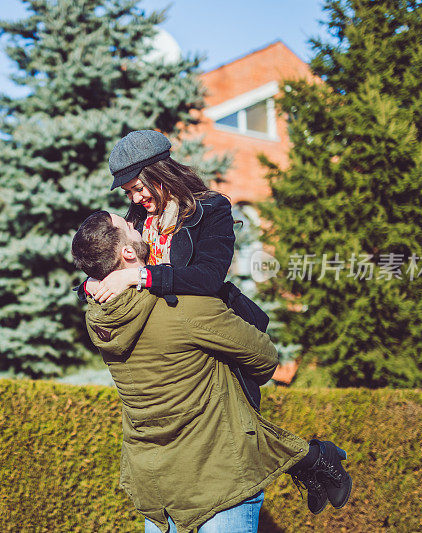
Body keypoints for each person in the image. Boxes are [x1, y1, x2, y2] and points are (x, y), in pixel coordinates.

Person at [71, 210, 353, 533]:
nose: (135, 223)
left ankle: (312, 460)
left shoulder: (99, 321)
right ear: (128, 252)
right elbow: (266, 359)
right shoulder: (183, 309)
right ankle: (314, 459)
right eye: (127, 226)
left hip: (158, 488)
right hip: (220, 481)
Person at [79, 129, 269, 411]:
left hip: (208, 337)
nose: (134, 199)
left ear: (160, 174)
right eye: (128, 192)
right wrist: (90, 284)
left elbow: (209, 277)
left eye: (138, 188)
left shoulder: (211, 209)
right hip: (165, 349)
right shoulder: (139, 219)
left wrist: (138, 276)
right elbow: (112, 258)